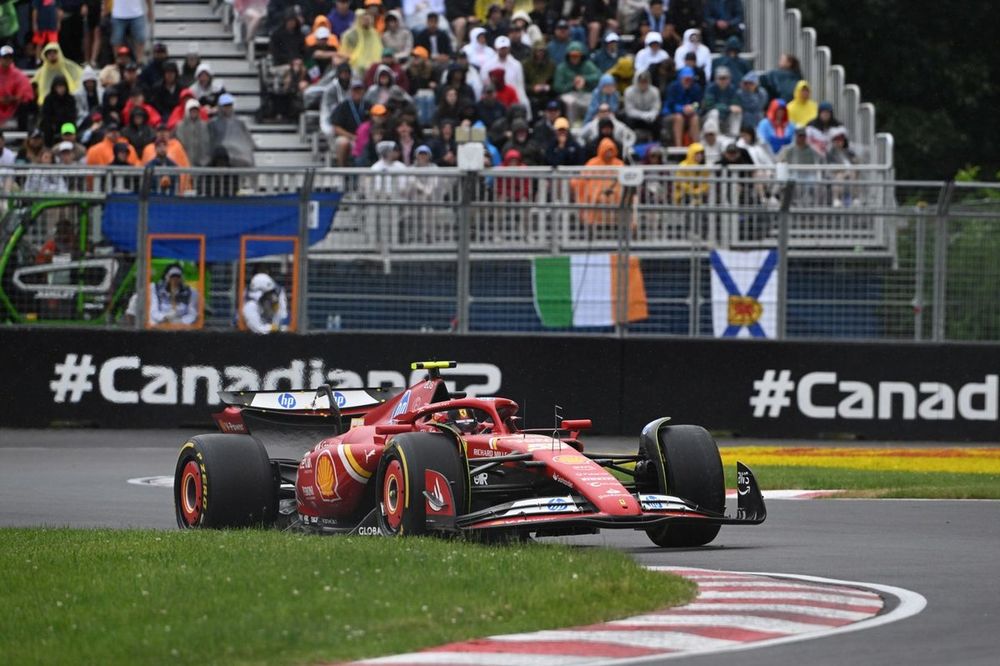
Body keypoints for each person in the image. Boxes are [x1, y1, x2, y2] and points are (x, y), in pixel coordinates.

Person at [572, 137, 623, 226]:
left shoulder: (619, 164)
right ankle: (591, 222)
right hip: (595, 196)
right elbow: (582, 180)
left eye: (611, 150)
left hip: (615, 195)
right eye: (607, 150)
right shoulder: (592, 163)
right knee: (594, 195)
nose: (609, 152)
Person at [553, 41, 601, 125]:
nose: (574, 58)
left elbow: (599, 76)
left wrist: (585, 79)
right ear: (568, 56)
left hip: (585, 93)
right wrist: (573, 85)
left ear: (581, 56)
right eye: (572, 56)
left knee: (592, 101)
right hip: (569, 94)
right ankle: (571, 126)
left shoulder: (587, 65)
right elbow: (557, 87)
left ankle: (589, 125)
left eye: (577, 56)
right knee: (570, 102)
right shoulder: (562, 68)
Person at [208, 93, 255, 167]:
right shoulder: (213, 123)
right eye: (225, 106)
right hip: (221, 160)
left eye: (229, 105)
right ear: (220, 107)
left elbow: (248, 142)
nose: (227, 108)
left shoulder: (240, 123)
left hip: (239, 159)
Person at [663, 66, 703, 147]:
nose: (688, 81)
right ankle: (679, 147)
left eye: (690, 79)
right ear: (680, 78)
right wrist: (682, 109)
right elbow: (670, 104)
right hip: (672, 114)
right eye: (685, 79)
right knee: (679, 118)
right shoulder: (673, 87)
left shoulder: (696, 88)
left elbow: (698, 103)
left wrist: (693, 107)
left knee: (695, 118)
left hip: (690, 115)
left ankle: (696, 147)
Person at [0, 45, 34, 128]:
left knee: (24, 106)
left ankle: (22, 138)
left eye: (10, 57)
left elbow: (26, 92)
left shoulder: (18, 74)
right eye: (5, 57)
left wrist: (14, 98)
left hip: (14, 105)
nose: (7, 60)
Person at [701, 66, 740, 136]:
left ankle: (734, 136)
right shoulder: (710, 88)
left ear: (729, 79)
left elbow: (735, 104)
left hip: (726, 116)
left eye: (725, 78)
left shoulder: (732, 88)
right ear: (716, 79)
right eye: (721, 78)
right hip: (709, 117)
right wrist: (728, 108)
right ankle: (717, 137)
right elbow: (710, 105)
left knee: (737, 112)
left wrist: (732, 108)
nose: (723, 81)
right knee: (714, 112)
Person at [39, 76, 78, 146]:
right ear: (54, 88)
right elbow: (46, 114)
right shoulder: (48, 99)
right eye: (58, 87)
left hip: (67, 123)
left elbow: (72, 114)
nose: (61, 89)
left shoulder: (70, 99)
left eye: (62, 87)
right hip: (53, 124)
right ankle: (49, 147)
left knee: (70, 127)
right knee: (47, 127)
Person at [623, 69, 661, 140]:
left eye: (645, 81)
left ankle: (656, 142)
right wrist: (642, 115)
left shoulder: (655, 91)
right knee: (627, 119)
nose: (643, 84)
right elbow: (629, 110)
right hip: (635, 118)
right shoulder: (628, 92)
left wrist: (651, 114)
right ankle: (629, 142)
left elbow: (656, 108)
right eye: (641, 81)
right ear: (636, 81)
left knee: (658, 120)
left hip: (649, 118)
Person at [341, 9, 382, 74]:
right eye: (363, 17)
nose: (366, 19)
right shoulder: (350, 35)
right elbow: (345, 53)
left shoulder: (374, 33)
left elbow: (378, 51)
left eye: (368, 17)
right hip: (356, 68)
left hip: (375, 67)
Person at [176, 99, 211, 166]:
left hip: (201, 164)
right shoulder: (180, 126)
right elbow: (180, 144)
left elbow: (207, 143)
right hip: (184, 162)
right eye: (192, 110)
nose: (194, 112)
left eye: (196, 110)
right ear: (187, 111)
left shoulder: (204, 125)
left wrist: (204, 161)